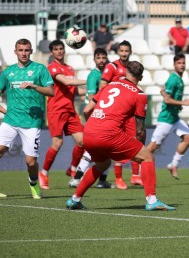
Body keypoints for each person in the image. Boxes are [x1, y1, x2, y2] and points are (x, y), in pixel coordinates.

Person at [67, 61, 174, 211]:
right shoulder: (140, 94)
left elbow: (86, 109)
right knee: (147, 156)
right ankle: (151, 200)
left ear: (125, 73)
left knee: (102, 165)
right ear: (141, 78)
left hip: (90, 131)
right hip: (108, 133)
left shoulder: (109, 86)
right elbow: (140, 129)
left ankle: (75, 199)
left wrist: (94, 126)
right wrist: (140, 148)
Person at [0, 39, 54, 199]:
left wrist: (35, 86)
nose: (23, 53)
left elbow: (51, 92)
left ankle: (34, 183)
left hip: (32, 123)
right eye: (21, 50)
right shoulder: (8, 73)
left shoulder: (39, 69)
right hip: (10, 121)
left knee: (30, 162)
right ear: (15, 51)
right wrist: (5, 111)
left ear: (31, 51)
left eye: (26, 50)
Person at [38, 40, 87, 190]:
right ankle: (44, 173)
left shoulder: (70, 68)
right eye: (56, 49)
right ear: (52, 52)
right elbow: (66, 82)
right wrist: (90, 81)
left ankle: (72, 169)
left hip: (70, 110)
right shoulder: (51, 68)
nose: (59, 51)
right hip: (56, 110)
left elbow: (75, 91)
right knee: (57, 143)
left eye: (61, 49)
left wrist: (94, 90)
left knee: (83, 142)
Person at [100, 40, 140, 189]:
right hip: (115, 113)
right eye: (121, 51)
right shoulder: (112, 67)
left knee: (134, 141)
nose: (124, 54)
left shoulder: (132, 68)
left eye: (126, 51)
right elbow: (103, 86)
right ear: (118, 52)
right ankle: (118, 178)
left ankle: (135, 176)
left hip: (128, 112)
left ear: (130, 52)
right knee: (118, 145)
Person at [147, 53, 189, 180]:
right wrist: (183, 103)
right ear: (174, 65)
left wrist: (177, 104)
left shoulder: (179, 79)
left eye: (183, 63)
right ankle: (138, 172)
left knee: (188, 138)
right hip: (166, 119)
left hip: (175, 118)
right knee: (153, 147)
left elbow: (166, 94)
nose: (182, 65)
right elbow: (167, 100)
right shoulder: (173, 79)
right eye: (179, 63)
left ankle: (173, 164)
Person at [71, 48, 111, 189]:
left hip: (106, 115)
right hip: (97, 116)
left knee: (105, 148)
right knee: (98, 148)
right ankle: (77, 178)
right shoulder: (93, 76)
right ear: (94, 60)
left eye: (103, 57)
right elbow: (91, 99)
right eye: (98, 57)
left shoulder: (108, 74)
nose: (101, 60)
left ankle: (100, 180)